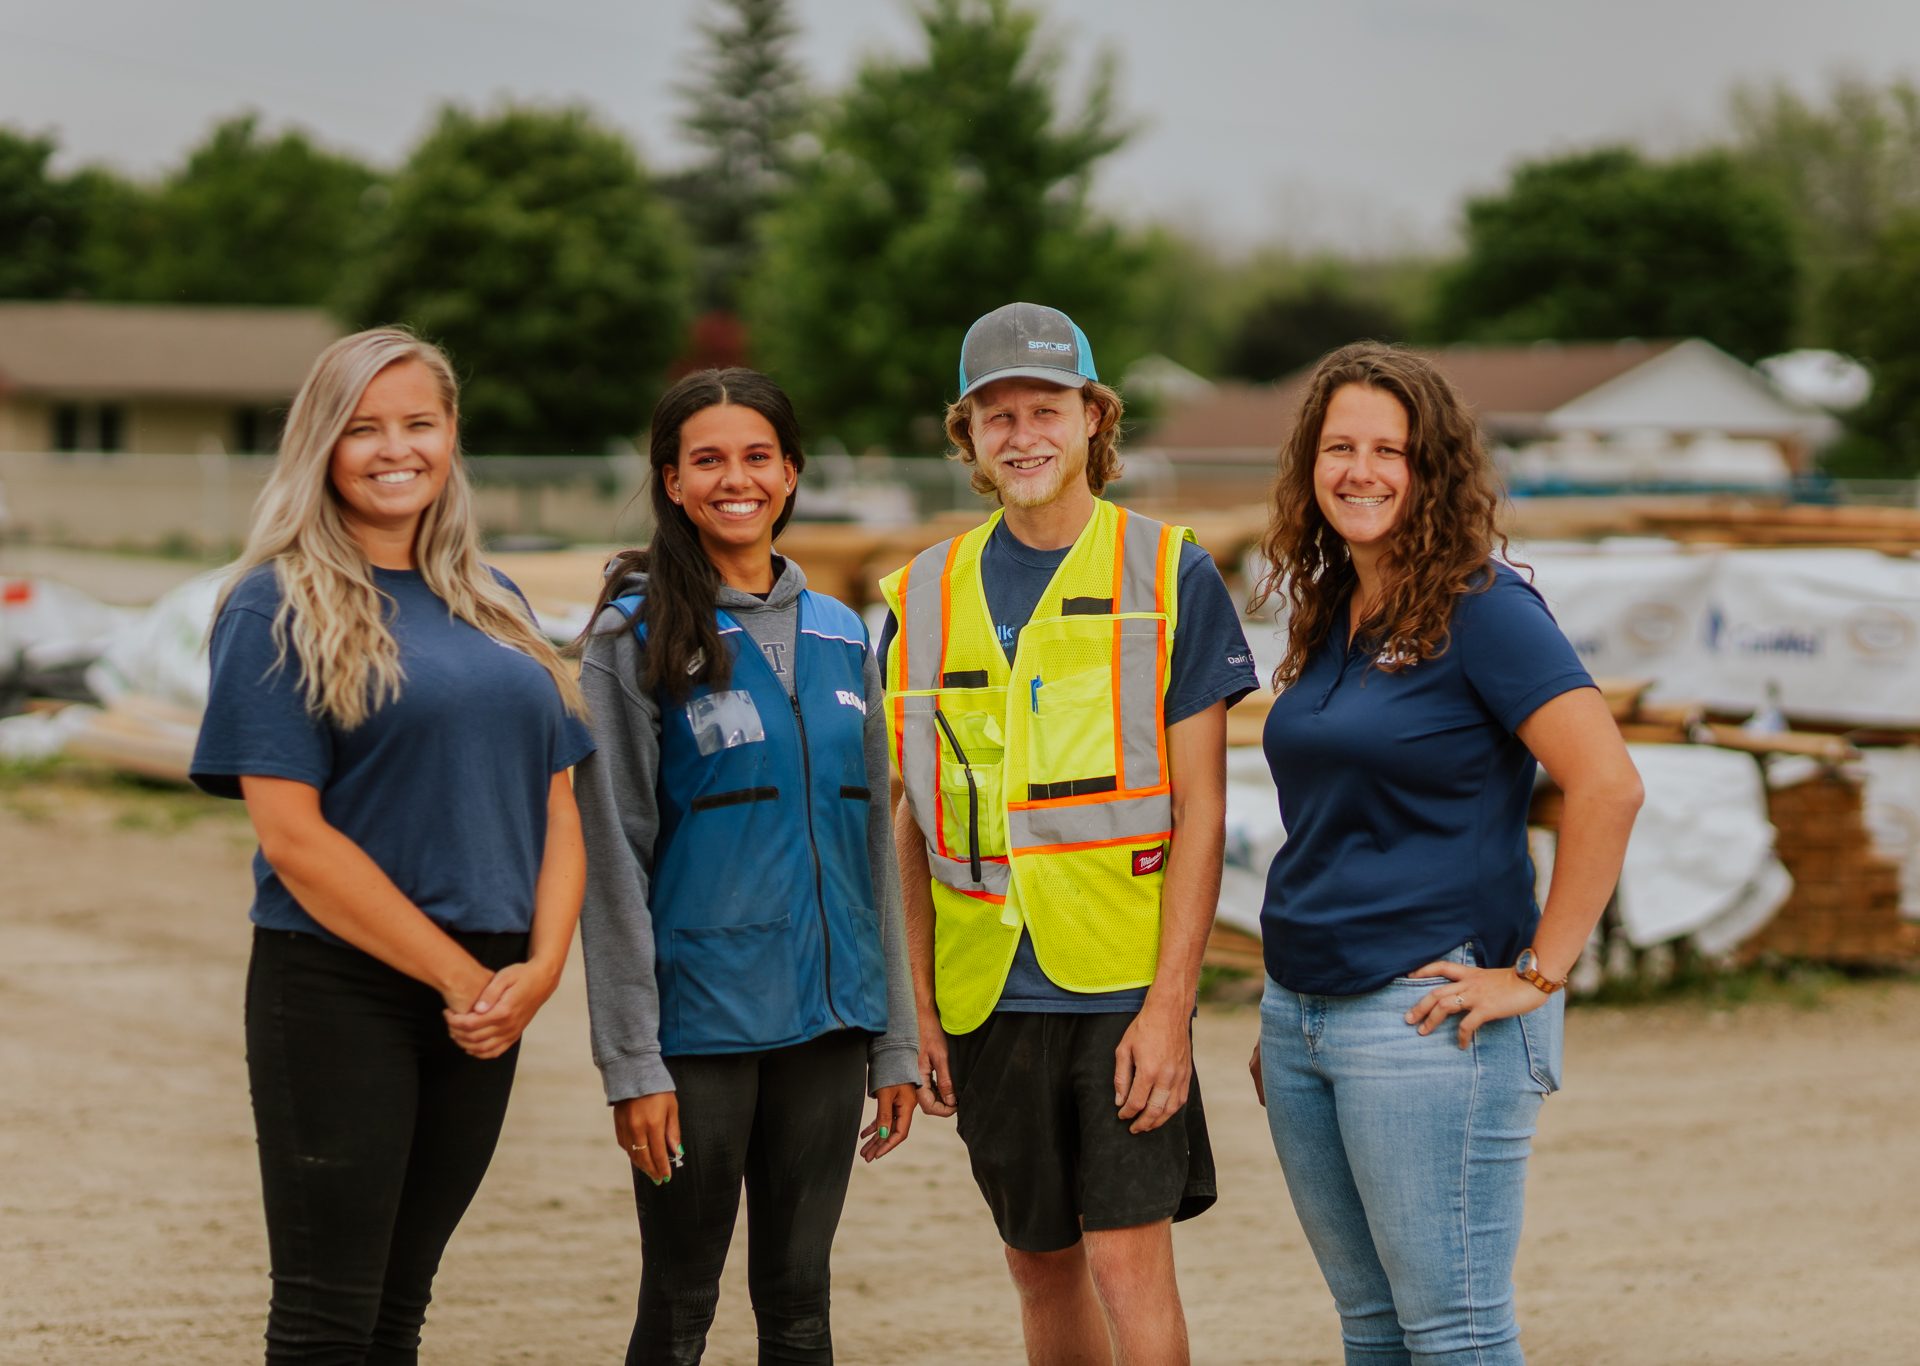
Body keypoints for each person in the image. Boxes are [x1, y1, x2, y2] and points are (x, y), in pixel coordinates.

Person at [190, 327, 594, 1363]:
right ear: (321, 444)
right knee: (329, 1314)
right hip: (340, 987)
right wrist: (463, 976)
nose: (394, 447)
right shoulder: (277, 602)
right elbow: (294, 838)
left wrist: (540, 969)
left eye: (418, 423)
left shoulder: (493, 602)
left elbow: (558, 803)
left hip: (489, 995)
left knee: (400, 1307)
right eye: (364, 428)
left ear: (452, 435)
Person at [1247, 342, 1644, 1365]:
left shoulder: (1486, 608)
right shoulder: (1334, 609)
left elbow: (1608, 785)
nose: (1362, 470)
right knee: (1373, 1330)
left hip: (1423, 1019)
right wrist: (1298, 1018)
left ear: (1434, 469)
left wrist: (1540, 975)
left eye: (1392, 449)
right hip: (1304, 1017)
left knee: (1454, 1333)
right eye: (1340, 446)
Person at [879, 302, 1257, 1365]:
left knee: (1128, 1265)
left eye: (1044, 408)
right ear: (969, 439)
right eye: (995, 416)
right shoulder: (920, 595)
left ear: (1094, 418)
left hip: (1121, 989)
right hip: (986, 988)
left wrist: (1172, 1010)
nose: (1022, 435)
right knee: (1038, 1264)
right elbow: (912, 820)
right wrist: (922, 1009)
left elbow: (1203, 813)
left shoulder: (1168, 573)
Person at [573, 367, 920, 1365]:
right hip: (700, 1031)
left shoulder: (845, 633)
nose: (738, 478)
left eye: (757, 456)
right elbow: (613, 862)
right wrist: (632, 1061)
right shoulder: (630, 638)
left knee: (801, 1306)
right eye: (709, 459)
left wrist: (893, 1036)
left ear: (793, 471)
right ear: (671, 482)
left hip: (828, 1022)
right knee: (680, 1306)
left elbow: (872, 848)